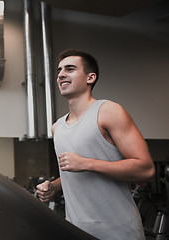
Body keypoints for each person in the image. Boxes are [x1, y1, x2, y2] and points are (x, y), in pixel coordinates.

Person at [36, 49, 155, 240]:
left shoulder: (108, 111)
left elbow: (146, 169)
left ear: (90, 77)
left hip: (118, 231)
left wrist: (86, 163)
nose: (61, 75)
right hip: (75, 229)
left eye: (70, 69)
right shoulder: (57, 128)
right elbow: (73, 173)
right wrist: (54, 186)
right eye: (59, 71)